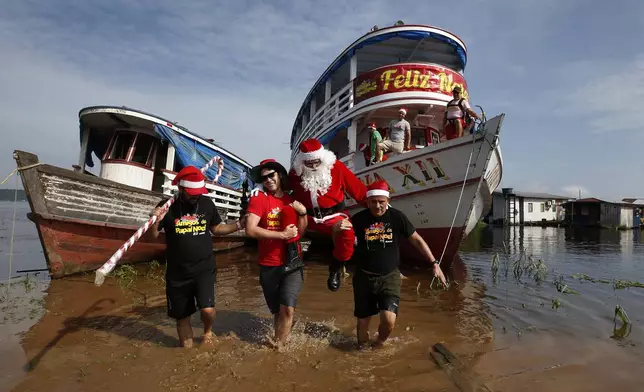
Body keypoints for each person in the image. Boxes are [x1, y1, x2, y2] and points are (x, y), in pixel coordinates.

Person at [150, 166, 243, 348]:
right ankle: (187, 355)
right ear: (181, 189)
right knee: (182, 319)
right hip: (178, 273)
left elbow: (216, 229)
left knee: (208, 310)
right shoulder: (165, 207)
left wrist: (238, 224)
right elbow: (152, 237)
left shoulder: (207, 204)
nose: (196, 196)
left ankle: (208, 331)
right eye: (192, 193)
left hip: (204, 269)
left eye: (198, 193)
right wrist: (155, 221)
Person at [350, 180, 447, 349]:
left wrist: (434, 263)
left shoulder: (397, 217)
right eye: (373, 202)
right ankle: (362, 352)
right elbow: (343, 242)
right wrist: (338, 230)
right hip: (364, 277)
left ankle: (379, 344)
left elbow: (416, 240)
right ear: (367, 202)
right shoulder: (358, 219)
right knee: (363, 322)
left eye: (382, 202)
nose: (378, 206)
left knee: (388, 320)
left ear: (388, 201)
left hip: (390, 276)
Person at [288, 138, 368, 292]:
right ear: (302, 162)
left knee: (347, 233)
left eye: (317, 162)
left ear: (322, 158)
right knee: (287, 228)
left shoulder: (337, 167)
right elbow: (282, 189)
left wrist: (379, 207)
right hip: (307, 217)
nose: (313, 166)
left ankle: (336, 267)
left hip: (333, 216)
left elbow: (358, 191)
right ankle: (291, 263)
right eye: (309, 163)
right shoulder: (295, 173)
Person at [244, 159, 308, 348]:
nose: (268, 180)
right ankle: (278, 339)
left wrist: (303, 214)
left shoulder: (291, 200)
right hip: (269, 264)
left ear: (279, 175)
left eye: (271, 175)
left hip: (293, 262)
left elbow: (301, 232)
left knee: (287, 308)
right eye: (264, 178)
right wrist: (281, 235)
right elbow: (250, 230)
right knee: (277, 312)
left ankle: (279, 348)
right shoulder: (259, 200)